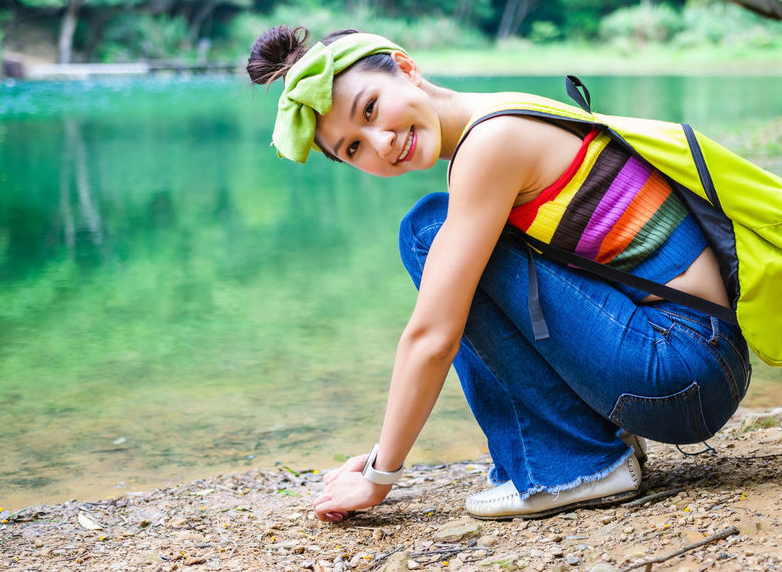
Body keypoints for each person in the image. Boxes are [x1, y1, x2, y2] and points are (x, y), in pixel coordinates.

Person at [245, 26, 750, 522]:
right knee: (443, 242)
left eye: (371, 109)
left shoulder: (490, 144)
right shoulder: (495, 117)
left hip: (681, 370)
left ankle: (574, 465)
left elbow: (432, 336)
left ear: (405, 67)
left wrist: (379, 475)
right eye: (352, 148)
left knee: (427, 233)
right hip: (693, 362)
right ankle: (583, 448)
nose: (380, 143)